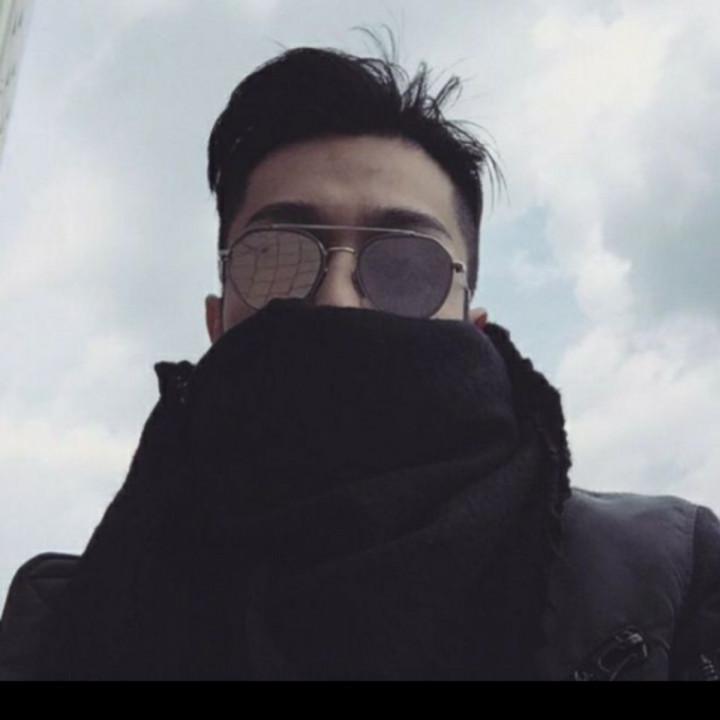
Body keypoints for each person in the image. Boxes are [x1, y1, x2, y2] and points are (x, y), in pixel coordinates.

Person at [1, 40, 719, 681]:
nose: (338, 300)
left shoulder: (671, 581)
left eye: (408, 267)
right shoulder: (50, 629)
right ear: (217, 320)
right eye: (278, 258)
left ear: (472, 326)